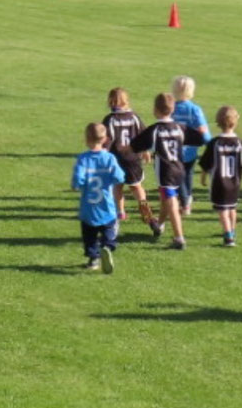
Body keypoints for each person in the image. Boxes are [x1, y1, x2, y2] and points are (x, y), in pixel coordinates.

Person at [131, 91, 192, 250]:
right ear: (172, 109)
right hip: (180, 168)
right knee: (165, 198)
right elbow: (198, 138)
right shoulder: (180, 128)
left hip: (166, 172)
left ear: (155, 110)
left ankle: (179, 238)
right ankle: (159, 224)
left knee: (171, 201)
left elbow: (135, 145)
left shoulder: (155, 129)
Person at [103, 88, 159, 240]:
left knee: (118, 185)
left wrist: (103, 157)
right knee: (136, 186)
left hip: (117, 158)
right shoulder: (134, 117)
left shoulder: (110, 119)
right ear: (126, 100)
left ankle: (120, 212)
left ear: (110, 101)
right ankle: (145, 210)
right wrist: (146, 150)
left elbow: (107, 140)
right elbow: (144, 134)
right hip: (133, 157)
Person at [72, 122, 124, 274]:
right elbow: (120, 177)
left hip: (88, 208)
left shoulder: (83, 159)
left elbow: (78, 179)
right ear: (105, 139)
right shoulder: (109, 158)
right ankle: (107, 246)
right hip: (106, 206)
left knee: (89, 236)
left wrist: (77, 185)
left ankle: (93, 259)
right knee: (109, 228)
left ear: (87, 139)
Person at [199, 106, 242, 247]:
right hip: (235, 183)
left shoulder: (215, 143)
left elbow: (206, 163)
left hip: (219, 183)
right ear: (235, 122)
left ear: (218, 122)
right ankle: (232, 230)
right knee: (232, 209)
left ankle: (228, 237)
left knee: (223, 211)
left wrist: (203, 177)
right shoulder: (239, 143)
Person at [171, 76, 209, 201]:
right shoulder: (195, 109)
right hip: (191, 149)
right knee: (188, 173)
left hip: (174, 149)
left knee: (178, 175)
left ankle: (184, 200)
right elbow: (203, 129)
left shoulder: (171, 108)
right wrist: (210, 142)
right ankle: (188, 196)